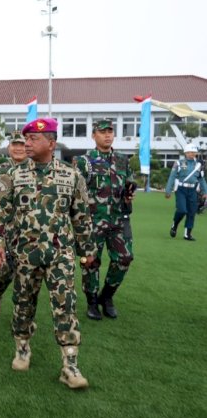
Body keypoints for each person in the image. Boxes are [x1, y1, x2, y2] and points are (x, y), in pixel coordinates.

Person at [0, 117, 95, 390]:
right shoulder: (12, 175)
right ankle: (22, 347)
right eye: (26, 138)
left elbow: (81, 217)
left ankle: (70, 364)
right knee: (23, 304)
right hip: (24, 254)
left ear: (52, 143)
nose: (28, 143)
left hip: (60, 254)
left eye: (34, 139)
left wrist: (87, 250)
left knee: (66, 306)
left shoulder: (72, 176)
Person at [74, 119, 135, 320]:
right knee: (90, 262)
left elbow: (129, 181)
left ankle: (106, 297)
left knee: (125, 258)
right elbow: (75, 191)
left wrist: (129, 191)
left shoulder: (122, 160)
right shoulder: (84, 161)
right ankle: (92, 301)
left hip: (118, 220)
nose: (107, 135)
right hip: (92, 221)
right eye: (102, 132)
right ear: (94, 136)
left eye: (110, 131)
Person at [0, 130, 27, 319]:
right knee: (3, 269)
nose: (18, 148)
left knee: (27, 272)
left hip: (28, 231)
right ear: (9, 147)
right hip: (5, 229)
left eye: (22, 144)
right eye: (14, 144)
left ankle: (23, 313)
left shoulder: (35, 169)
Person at [165, 143, 207, 241]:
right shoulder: (179, 163)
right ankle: (175, 225)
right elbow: (172, 177)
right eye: (190, 152)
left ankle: (187, 234)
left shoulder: (198, 165)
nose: (192, 154)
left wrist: (205, 191)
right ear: (186, 152)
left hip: (193, 190)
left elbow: (201, 179)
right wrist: (168, 190)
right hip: (181, 189)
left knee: (192, 212)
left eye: (194, 152)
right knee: (182, 210)